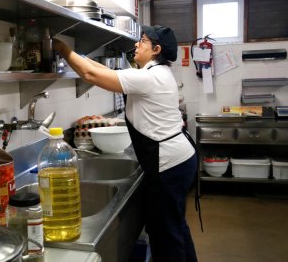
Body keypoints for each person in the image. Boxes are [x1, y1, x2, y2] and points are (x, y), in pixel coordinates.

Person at [53, 25, 199, 262]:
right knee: (175, 226)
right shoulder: (156, 73)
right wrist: (76, 56)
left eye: (142, 41)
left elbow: (91, 75)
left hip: (169, 165)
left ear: (156, 49)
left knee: (165, 234)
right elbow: (100, 70)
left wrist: (62, 48)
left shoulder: (149, 77)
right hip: (179, 160)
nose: (136, 45)